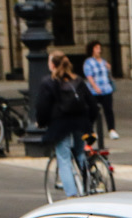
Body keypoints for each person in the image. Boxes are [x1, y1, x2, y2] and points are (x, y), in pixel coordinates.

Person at [36, 52, 98, 198]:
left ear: (52, 65)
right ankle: (88, 186)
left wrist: (41, 122)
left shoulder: (48, 82)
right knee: (80, 153)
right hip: (81, 123)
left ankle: (72, 195)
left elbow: (42, 107)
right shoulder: (78, 80)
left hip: (61, 125)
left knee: (63, 158)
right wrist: (89, 122)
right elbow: (92, 104)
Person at [83, 40, 118, 140]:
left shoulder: (103, 61)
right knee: (93, 110)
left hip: (106, 89)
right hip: (94, 91)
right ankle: (90, 130)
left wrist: (109, 68)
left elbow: (108, 76)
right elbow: (89, 76)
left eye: (99, 48)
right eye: (96, 48)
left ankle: (111, 130)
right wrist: (95, 87)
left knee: (109, 110)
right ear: (92, 50)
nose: (99, 50)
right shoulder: (88, 62)